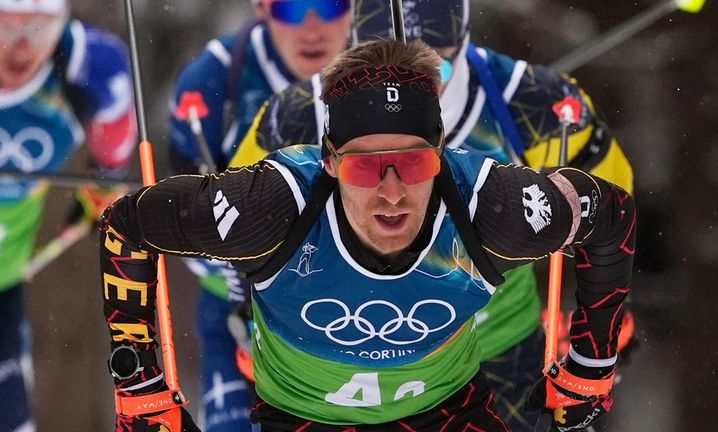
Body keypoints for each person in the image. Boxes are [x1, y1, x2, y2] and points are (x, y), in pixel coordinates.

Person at [101, 39, 635, 432]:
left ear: (442, 152)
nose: (392, 192)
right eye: (364, 168)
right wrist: (140, 383)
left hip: (447, 416)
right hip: (306, 419)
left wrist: (591, 366)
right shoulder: (271, 205)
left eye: (414, 161)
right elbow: (127, 225)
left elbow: (611, 215)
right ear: (330, 160)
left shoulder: (487, 205)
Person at [166, 0, 352, 430]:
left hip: (343, 308)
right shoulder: (212, 80)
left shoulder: (384, 73)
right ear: (262, 8)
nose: (312, 27)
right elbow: (183, 219)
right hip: (236, 306)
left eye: (330, 6)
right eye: (291, 8)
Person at [0, 0, 137, 430]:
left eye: (39, 27)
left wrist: (102, 192)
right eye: (5, 27)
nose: (22, 46)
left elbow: (114, 157)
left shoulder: (88, 67)